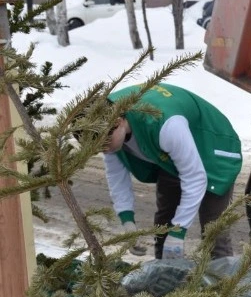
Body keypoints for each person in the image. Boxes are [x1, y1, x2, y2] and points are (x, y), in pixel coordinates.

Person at [99, 83, 242, 260]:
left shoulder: (166, 124)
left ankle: (223, 282)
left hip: (212, 145)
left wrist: (179, 231)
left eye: (105, 143)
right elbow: (116, 174)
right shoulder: (103, 120)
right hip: (173, 153)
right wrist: (127, 220)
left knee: (213, 228)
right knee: (164, 223)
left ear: (119, 122)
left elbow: (195, 178)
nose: (103, 150)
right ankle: (164, 280)